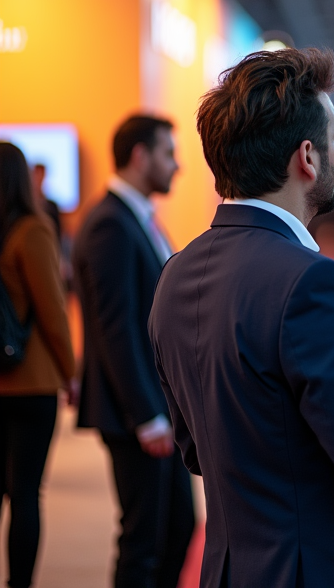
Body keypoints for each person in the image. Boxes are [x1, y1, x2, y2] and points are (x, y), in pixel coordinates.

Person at [149, 48, 334, 588]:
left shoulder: (176, 273)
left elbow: (206, 448)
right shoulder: (313, 281)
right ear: (307, 157)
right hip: (322, 570)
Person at [73, 115, 194, 588]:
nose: (177, 165)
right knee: (144, 540)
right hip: (136, 414)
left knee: (177, 527)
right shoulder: (110, 225)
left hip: (157, 408)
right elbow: (115, 329)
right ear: (140, 157)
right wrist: (147, 416)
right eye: (168, 153)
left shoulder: (135, 217)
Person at [0, 143, 76, 588]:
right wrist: (71, 372)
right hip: (30, 382)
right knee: (26, 491)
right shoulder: (32, 230)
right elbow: (53, 312)